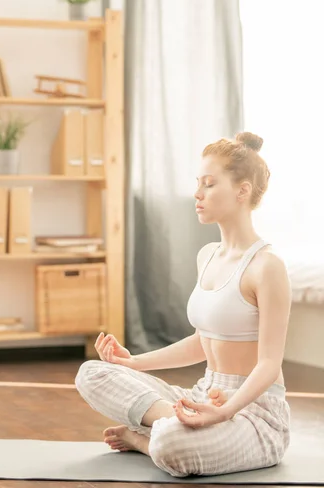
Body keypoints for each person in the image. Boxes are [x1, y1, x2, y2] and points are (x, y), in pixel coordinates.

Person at [75, 132, 291, 478]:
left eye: (209, 184)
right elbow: (200, 343)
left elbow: (268, 364)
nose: (197, 193)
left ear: (242, 190)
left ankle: (149, 440)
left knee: (169, 446)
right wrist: (133, 362)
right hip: (202, 394)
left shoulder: (267, 267)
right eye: (198, 183)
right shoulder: (207, 256)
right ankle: (177, 423)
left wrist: (223, 412)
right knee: (91, 373)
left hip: (253, 414)